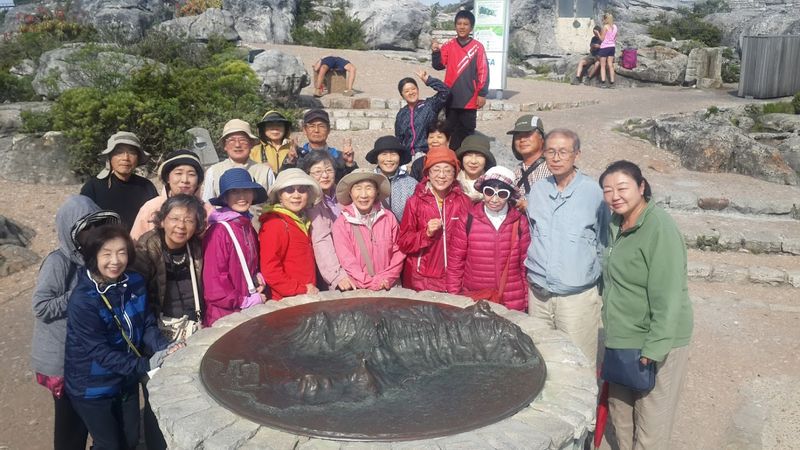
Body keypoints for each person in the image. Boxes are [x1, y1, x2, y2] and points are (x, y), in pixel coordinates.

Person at [599, 160, 693, 450]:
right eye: (607, 190)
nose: (615, 195)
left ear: (641, 187)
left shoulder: (658, 227)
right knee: (621, 417)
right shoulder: (616, 223)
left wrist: (655, 347)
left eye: (623, 188)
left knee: (651, 425)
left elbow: (669, 294)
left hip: (654, 340)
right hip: (620, 336)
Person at [64, 224, 180, 450]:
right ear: (92, 256)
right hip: (92, 386)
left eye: (122, 252)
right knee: (109, 445)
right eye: (106, 254)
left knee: (130, 440)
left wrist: (164, 347)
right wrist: (145, 364)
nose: (115, 261)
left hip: (125, 380)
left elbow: (146, 324)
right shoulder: (84, 300)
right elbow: (99, 352)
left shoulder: (134, 282)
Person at [31, 196, 120, 450]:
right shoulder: (59, 262)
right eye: (86, 228)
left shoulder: (98, 261)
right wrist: (82, 294)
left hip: (89, 358)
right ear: (71, 231)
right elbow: (41, 307)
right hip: (62, 361)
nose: (93, 233)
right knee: (70, 427)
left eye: (98, 225)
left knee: (95, 422)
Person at [526, 129, 609, 369]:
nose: (556, 158)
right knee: (542, 363)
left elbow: (603, 242)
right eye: (550, 151)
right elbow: (534, 235)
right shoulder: (538, 191)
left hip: (576, 299)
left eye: (563, 152)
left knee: (578, 365)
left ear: (577, 155)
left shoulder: (594, 193)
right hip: (539, 295)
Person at [132, 193, 206, 450]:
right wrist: (157, 344)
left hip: (191, 328)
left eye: (189, 220)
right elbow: (138, 305)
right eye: (174, 218)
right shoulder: (145, 249)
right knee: (158, 398)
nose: (181, 226)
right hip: (157, 332)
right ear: (162, 220)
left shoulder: (195, 246)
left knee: (192, 391)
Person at [446, 166, 531, 312]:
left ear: (509, 195)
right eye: (489, 192)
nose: (494, 199)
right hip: (476, 298)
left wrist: (526, 299)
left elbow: (525, 266)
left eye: (502, 194)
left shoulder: (520, 222)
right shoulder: (467, 220)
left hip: (512, 300)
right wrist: (455, 297)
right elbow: (455, 263)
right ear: (483, 191)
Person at [398, 146, 471, 292]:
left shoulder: (464, 202)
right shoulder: (414, 202)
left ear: (455, 174)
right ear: (428, 174)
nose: (442, 175)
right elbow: (403, 243)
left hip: (453, 278)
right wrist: (426, 234)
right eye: (436, 169)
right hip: (419, 279)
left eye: (448, 170)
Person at [202, 168, 268, 326]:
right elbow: (214, 284)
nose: (242, 197)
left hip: (244, 312)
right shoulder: (219, 231)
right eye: (235, 192)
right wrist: (245, 301)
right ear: (225, 197)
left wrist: (257, 275)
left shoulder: (246, 225)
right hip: (225, 316)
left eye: (246, 190)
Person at [332, 169, 405, 290]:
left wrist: (387, 278)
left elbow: (398, 251)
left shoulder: (388, 217)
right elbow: (347, 260)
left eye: (369, 188)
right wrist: (370, 283)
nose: (364, 195)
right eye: (358, 188)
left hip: (390, 287)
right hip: (360, 289)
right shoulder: (341, 223)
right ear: (350, 192)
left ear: (376, 192)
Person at [259, 169, 322, 299]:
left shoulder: (302, 219)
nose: (296, 195)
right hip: (286, 300)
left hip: (304, 295)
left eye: (302, 190)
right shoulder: (275, 223)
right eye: (289, 190)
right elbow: (270, 270)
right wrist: (300, 289)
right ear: (279, 196)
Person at [431, 10, 489, 150]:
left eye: (466, 24)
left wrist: (482, 93)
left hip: (470, 100)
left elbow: (483, 70)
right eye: (459, 24)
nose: (462, 27)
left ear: (471, 27)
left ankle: (465, 161)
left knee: (467, 132)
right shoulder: (449, 45)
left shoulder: (477, 47)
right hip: (451, 98)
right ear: (455, 26)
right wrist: (435, 52)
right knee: (449, 131)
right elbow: (438, 66)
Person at [80, 131, 158, 231]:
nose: (125, 158)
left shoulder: (146, 186)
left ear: (138, 158)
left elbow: (157, 220)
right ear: (109, 157)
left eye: (131, 152)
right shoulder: (93, 187)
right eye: (119, 152)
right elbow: (83, 225)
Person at [130, 149, 212, 240]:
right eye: (178, 173)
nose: (184, 180)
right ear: (168, 178)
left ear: (198, 181)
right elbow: (134, 245)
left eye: (191, 174)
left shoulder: (208, 212)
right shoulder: (151, 208)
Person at [303, 151, 354, 291]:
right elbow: (321, 240)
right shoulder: (311, 203)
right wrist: (336, 276)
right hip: (332, 271)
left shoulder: (342, 195)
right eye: (318, 172)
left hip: (351, 264)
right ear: (308, 174)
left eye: (328, 170)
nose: (324, 176)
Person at [201, 119, 274, 210]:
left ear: (251, 144)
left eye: (243, 140)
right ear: (225, 145)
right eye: (231, 140)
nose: (237, 145)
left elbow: (273, 204)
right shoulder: (214, 171)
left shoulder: (265, 171)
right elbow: (207, 206)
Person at [280, 109, 357, 182]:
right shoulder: (298, 156)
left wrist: (349, 164)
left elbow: (355, 184)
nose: (316, 130)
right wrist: (290, 162)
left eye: (321, 126)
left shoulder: (338, 156)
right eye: (312, 126)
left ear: (329, 129)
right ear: (304, 130)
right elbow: (281, 182)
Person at [394, 70, 450, 158]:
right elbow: (399, 138)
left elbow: (445, 92)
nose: (411, 92)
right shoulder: (401, 114)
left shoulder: (429, 105)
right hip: (407, 156)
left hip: (426, 153)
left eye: (413, 89)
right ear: (402, 95)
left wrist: (428, 80)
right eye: (407, 91)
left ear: (418, 89)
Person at [365, 135, 418, 221]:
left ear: (400, 158)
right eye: (384, 154)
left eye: (393, 154)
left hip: (403, 233)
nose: (389, 159)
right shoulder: (368, 181)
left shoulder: (412, 184)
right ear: (376, 158)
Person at [508, 115, 551, 200]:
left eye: (527, 134)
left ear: (542, 138)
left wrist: (531, 206)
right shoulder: (515, 172)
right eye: (518, 135)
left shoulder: (553, 169)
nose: (522, 139)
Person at [456, 133, 496, 202]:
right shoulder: (452, 183)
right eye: (469, 155)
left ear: (486, 159)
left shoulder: (494, 185)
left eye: (479, 156)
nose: (473, 161)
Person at [598, 12, 618, 88]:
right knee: (610, 65)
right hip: (612, 47)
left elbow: (602, 39)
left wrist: (598, 34)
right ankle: (612, 82)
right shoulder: (615, 27)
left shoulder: (605, 27)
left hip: (604, 47)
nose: (603, 20)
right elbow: (615, 37)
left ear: (606, 19)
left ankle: (603, 82)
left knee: (602, 65)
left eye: (603, 18)